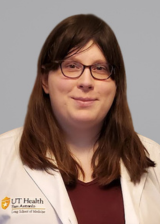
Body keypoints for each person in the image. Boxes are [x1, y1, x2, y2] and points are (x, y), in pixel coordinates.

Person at [0, 14, 160, 224]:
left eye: (100, 68)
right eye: (72, 66)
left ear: (116, 84)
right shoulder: (3, 158)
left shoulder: (155, 160)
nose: (86, 81)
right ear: (45, 80)